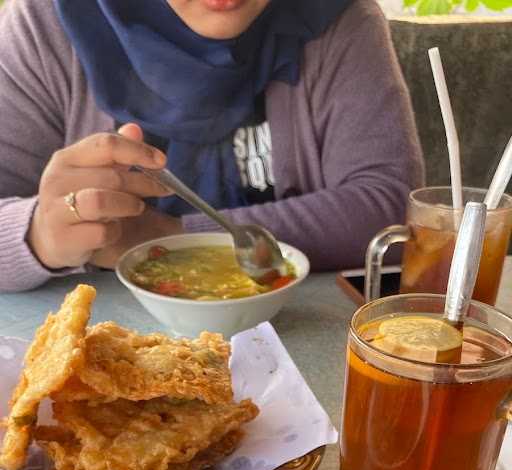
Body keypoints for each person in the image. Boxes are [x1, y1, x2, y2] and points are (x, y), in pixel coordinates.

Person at [0, 0, 424, 293]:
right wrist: (38, 233)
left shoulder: (336, 17)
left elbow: (391, 210)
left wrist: (170, 240)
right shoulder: (47, 25)